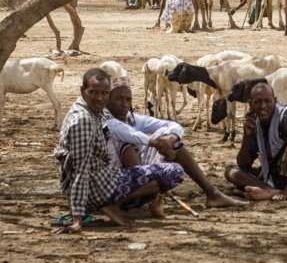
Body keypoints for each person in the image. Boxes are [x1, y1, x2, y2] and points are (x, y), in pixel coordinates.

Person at [53, 69, 185, 233]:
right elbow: (81, 170)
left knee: (155, 168)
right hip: (98, 186)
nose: (99, 98)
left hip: (101, 179)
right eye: (93, 92)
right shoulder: (83, 120)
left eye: (104, 93)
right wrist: (78, 219)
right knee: (175, 171)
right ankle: (109, 205)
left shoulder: (93, 111)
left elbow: (123, 131)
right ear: (83, 91)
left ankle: (123, 202)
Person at [103, 77, 246, 210]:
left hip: (135, 183)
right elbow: (124, 132)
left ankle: (212, 194)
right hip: (113, 186)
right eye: (119, 99)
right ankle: (121, 202)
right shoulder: (104, 121)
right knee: (127, 143)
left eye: (128, 100)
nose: (124, 104)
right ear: (107, 100)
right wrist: (155, 142)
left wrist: (170, 138)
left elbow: (173, 125)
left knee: (170, 139)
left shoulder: (132, 118)